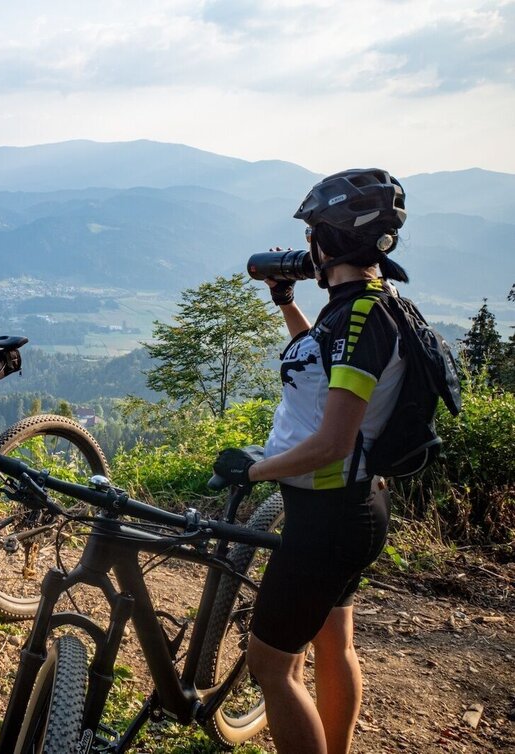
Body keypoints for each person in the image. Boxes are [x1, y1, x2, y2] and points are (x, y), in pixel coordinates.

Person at [213, 168, 412, 754]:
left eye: (313, 235)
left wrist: (251, 471)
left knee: (270, 667)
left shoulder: (359, 317)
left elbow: (332, 442)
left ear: (330, 241)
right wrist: (286, 305)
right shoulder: (366, 306)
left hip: (328, 515)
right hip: (354, 506)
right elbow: (324, 369)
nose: (306, 248)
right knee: (332, 645)